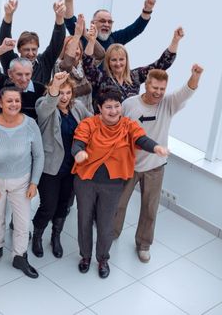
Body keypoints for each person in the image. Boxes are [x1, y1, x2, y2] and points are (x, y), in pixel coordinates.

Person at [71, 87, 168, 279]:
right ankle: (85, 256)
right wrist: (79, 153)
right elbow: (77, 143)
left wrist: (156, 147)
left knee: (107, 224)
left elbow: (142, 139)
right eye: (108, 107)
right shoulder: (89, 124)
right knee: (84, 219)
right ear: (99, 108)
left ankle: (103, 259)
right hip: (85, 181)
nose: (114, 111)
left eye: (117, 106)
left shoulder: (128, 126)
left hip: (113, 185)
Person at [114, 65, 203, 262]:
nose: (158, 92)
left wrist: (195, 76)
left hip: (155, 166)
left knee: (149, 208)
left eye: (162, 89)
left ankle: (144, 244)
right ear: (146, 85)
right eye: (155, 88)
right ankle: (111, 233)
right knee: (118, 203)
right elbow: (117, 130)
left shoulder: (168, 103)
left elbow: (186, 92)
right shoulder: (129, 104)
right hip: (129, 165)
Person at [0, 87, 44, 279]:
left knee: (22, 222)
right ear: (0, 103)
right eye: (9, 101)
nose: (14, 104)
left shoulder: (30, 124)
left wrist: (34, 183)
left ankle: (19, 256)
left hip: (22, 182)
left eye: (17, 101)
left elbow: (38, 156)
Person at [32, 72, 92, 259]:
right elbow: (47, 106)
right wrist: (54, 89)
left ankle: (55, 236)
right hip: (50, 167)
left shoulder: (78, 107)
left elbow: (93, 123)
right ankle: (37, 236)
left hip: (72, 167)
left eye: (68, 93)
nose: (64, 97)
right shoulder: (44, 105)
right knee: (48, 205)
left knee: (64, 205)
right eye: (61, 93)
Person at [83, 24, 184, 103]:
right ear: (108, 62)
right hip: (105, 126)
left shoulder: (135, 76)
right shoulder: (101, 78)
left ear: (126, 60)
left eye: (121, 59)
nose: (118, 63)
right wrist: (91, 41)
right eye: (114, 60)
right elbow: (87, 66)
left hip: (129, 126)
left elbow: (161, 65)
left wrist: (175, 41)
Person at [0, 0, 66, 85]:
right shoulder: (11, 61)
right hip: (15, 98)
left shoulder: (44, 62)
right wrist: (8, 15)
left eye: (34, 49)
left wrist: (59, 17)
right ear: (19, 49)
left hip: (40, 99)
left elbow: (57, 43)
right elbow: (4, 41)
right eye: (26, 49)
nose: (30, 53)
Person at [63, 0, 156, 51]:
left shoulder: (115, 39)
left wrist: (147, 10)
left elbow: (136, 28)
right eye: (102, 21)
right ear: (93, 23)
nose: (107, 24)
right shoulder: (83, 34)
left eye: (110, 22)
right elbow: (69, 19)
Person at [0, 38, 45, 120]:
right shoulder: (2, 83)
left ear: (32, 72)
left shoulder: (41, 89)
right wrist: (1, 49)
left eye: (27, 74)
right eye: (19, 74)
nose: (24, 79)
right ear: (10, 73)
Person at [55, 15, 104, 113]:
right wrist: (77, 36)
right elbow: (68, 63)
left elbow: (101, 55)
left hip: (88, 117)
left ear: (81, 50)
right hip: (70, 117)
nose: (74, 52)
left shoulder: (85, 65)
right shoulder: (59, 66)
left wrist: (88, 37)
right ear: (63, 52)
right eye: (68, 48)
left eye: (76, 48)